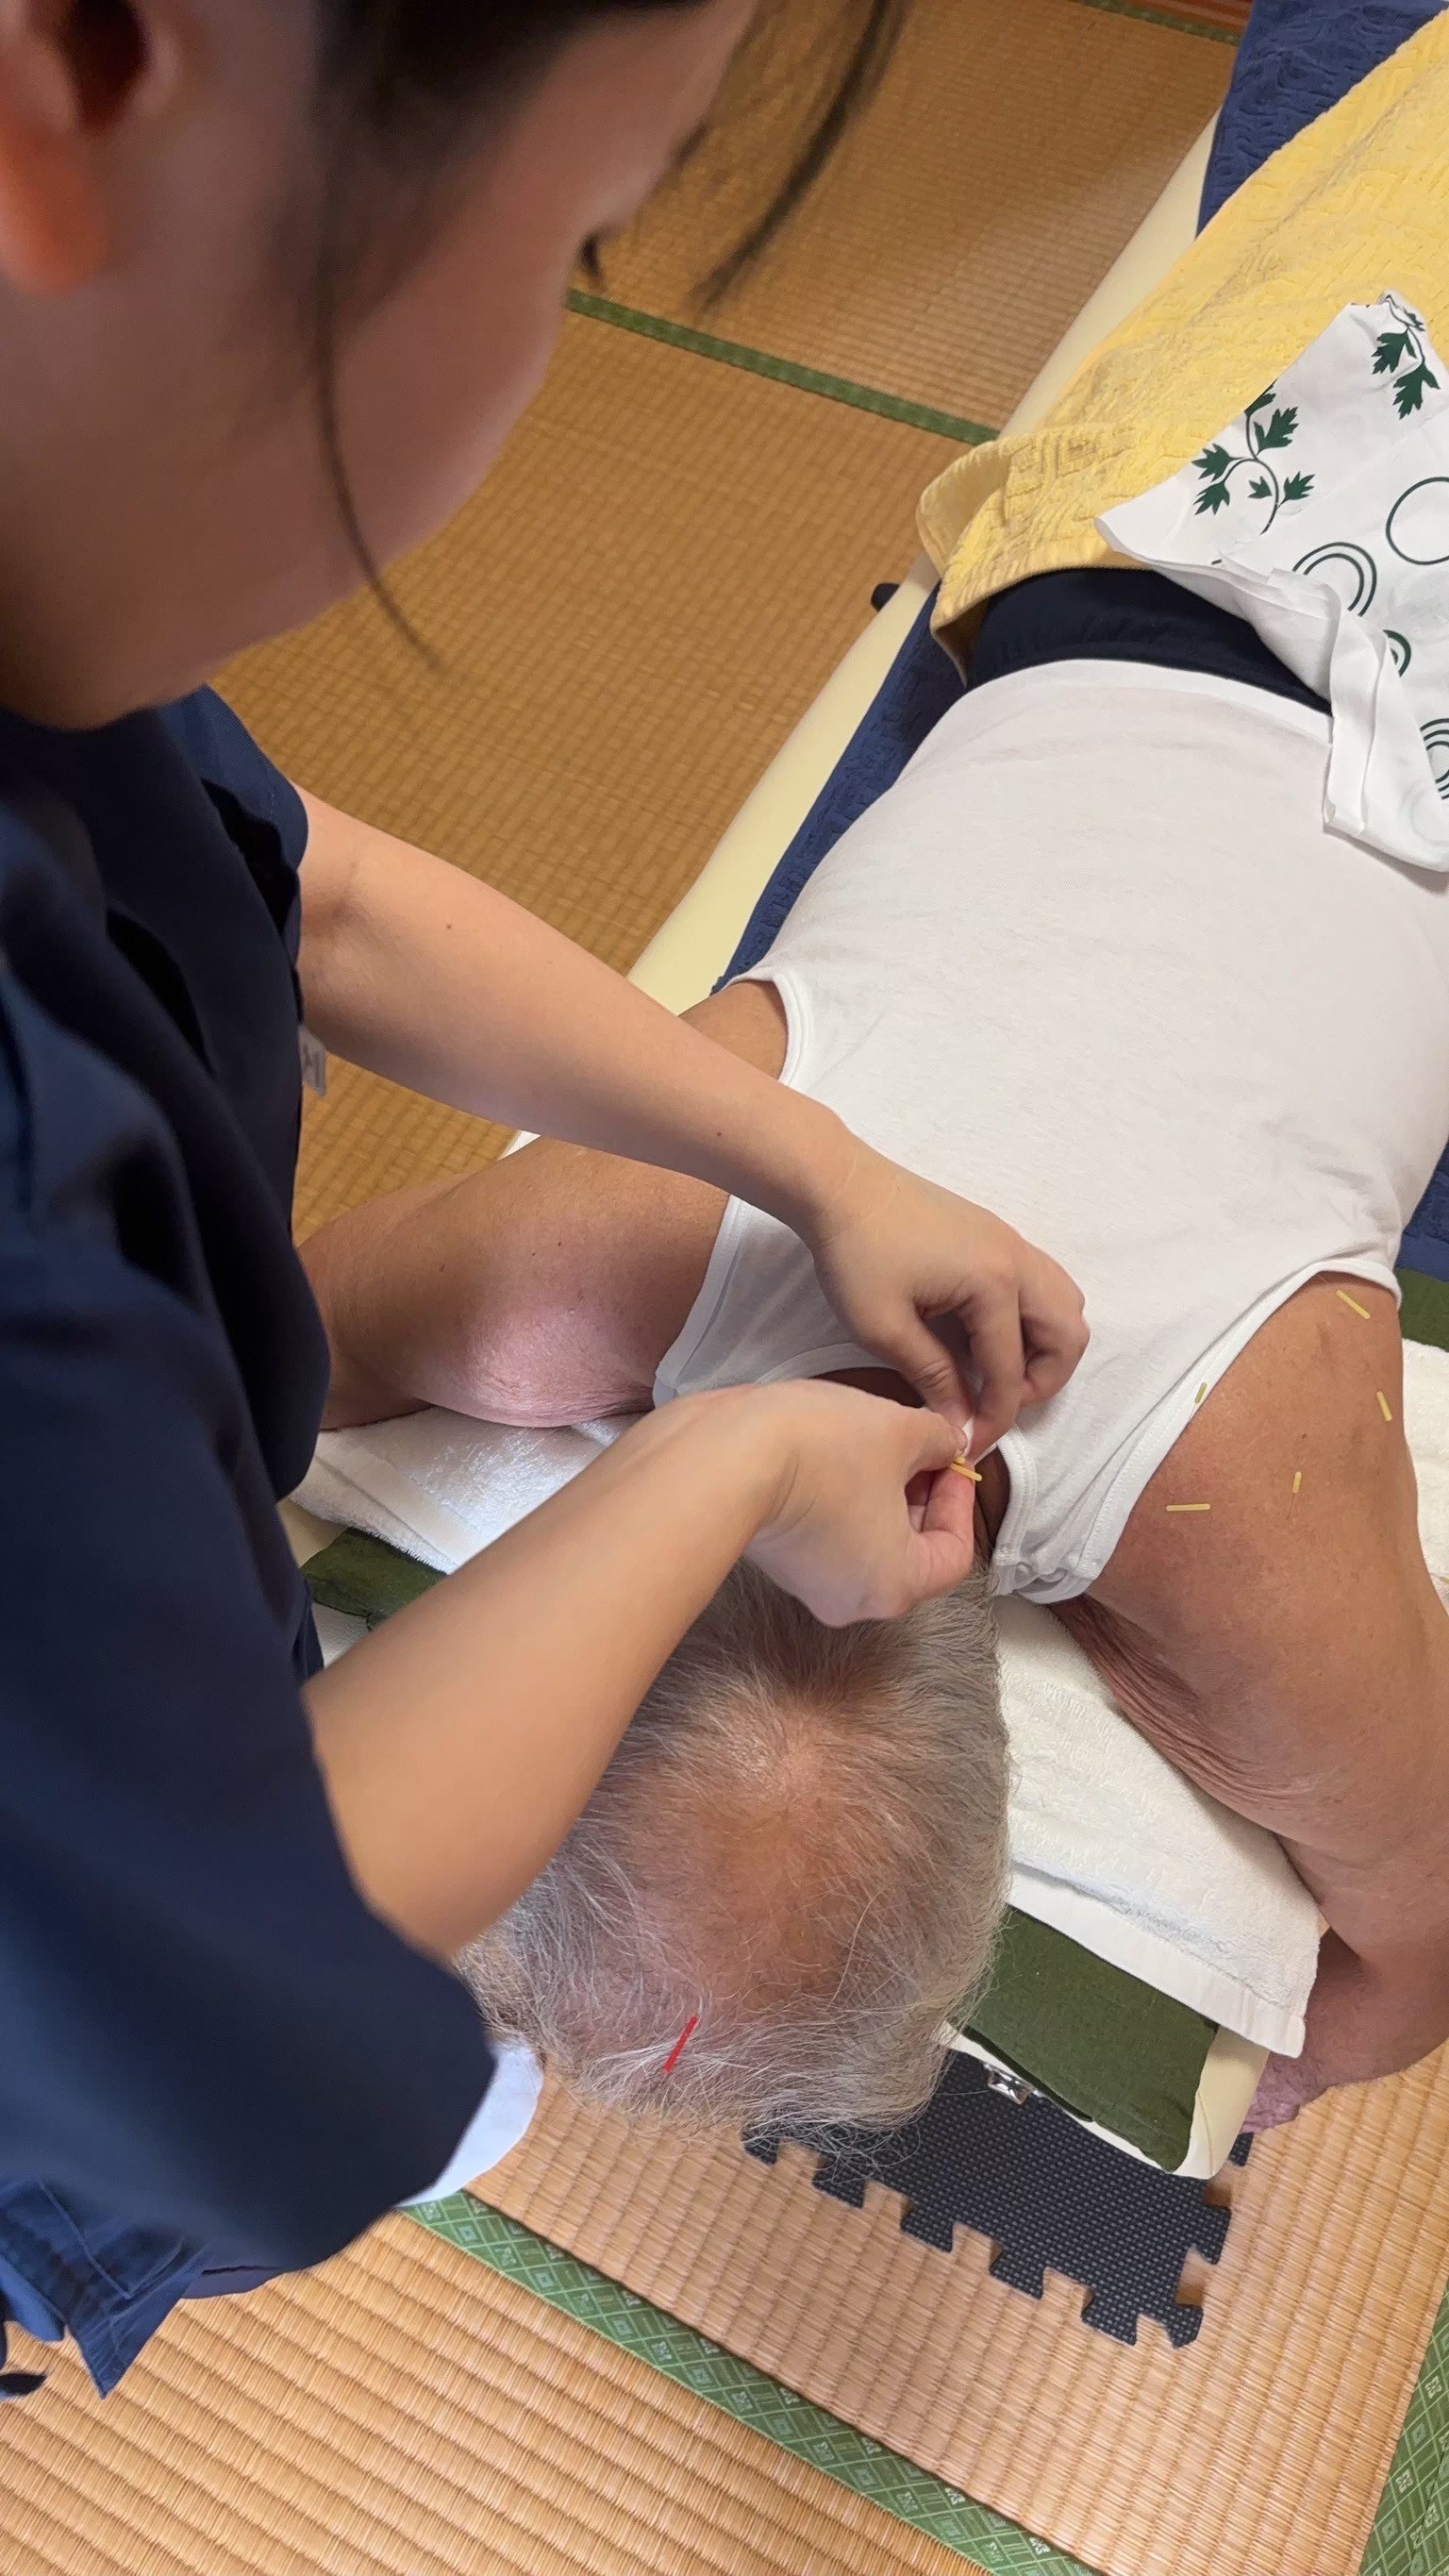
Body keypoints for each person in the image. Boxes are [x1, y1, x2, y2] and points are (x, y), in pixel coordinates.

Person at [0, 0, 1094, 2394]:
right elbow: (229, 1975)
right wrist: (729, 1467)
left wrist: (814, 1158)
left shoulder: (54, 589)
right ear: (72, 80)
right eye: (584, 238)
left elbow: (319, 896)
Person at [310, 567, 1449, 2140]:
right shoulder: (575, 1265)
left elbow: (1411, 1969)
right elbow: (277, 1341)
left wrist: (1249, 2086)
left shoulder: (1249, 1531)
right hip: (1098, 615)